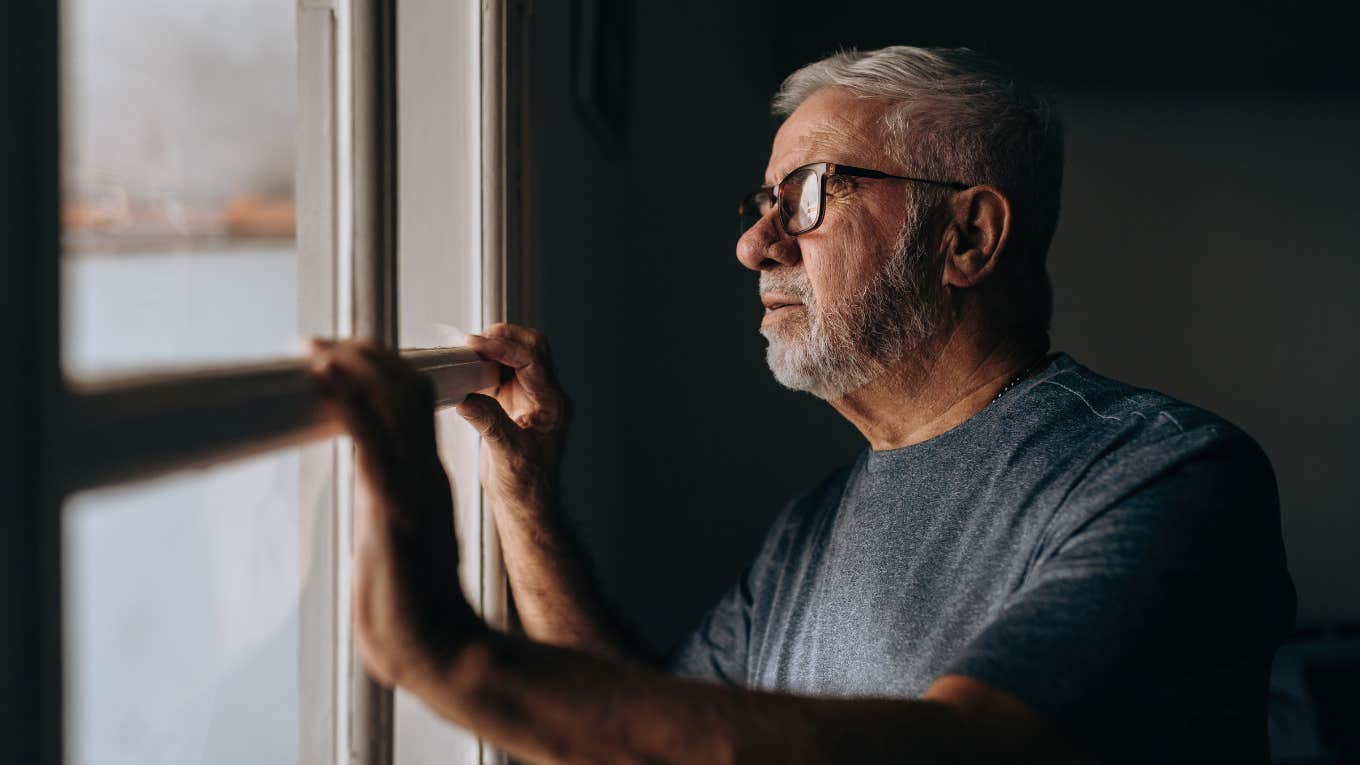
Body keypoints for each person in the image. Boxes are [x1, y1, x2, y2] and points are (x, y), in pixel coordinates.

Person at [309, 46, 1295, 764]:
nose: (756, 246)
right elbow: (644, 737)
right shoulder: (808, 533)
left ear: (967, 238)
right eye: (760, 205)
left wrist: (458, 665)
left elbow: (966, 753)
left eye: (812, 194)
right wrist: (523, 496)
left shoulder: (1168, 477)